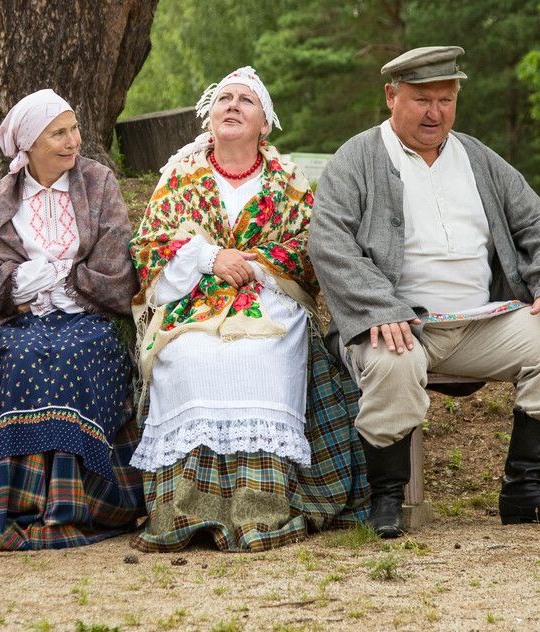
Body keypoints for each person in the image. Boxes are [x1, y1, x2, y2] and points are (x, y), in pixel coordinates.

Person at [309, 46, 540, 538]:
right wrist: (380, 309)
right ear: (391, 96)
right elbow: (329, 244)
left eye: (446, 99)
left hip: (481, 322)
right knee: (394, 361)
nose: (435, 113)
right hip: (400, 324)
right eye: (422, 100)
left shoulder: (478, 158)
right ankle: (387, 499)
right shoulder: (356, 158)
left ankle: (523, 491)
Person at [129, 67, 369, 552]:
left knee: (260, 356)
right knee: (190, 357)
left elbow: (309, 249)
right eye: (224, 98)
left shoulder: (288, 182)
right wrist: (208, 258)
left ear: (264, 124)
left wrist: (252, 264)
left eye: (246, 100)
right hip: (193, 301)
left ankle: (260, 509)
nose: (233, 105)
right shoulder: (180, 177)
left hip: (269, 299)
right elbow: (149, 247)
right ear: (209, 118)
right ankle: (185, 510)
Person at [0, 90, 145, 550]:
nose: (73, 141)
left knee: (75, 352)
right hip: (23, 321)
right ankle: (24, 503)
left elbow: (116, 263)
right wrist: (28, 284)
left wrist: (54, 279)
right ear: (29, 144)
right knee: (23, 355)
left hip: (91, 315)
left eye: (74, 128)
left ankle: (79, 504)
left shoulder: (97, 182)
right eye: (58, 133)